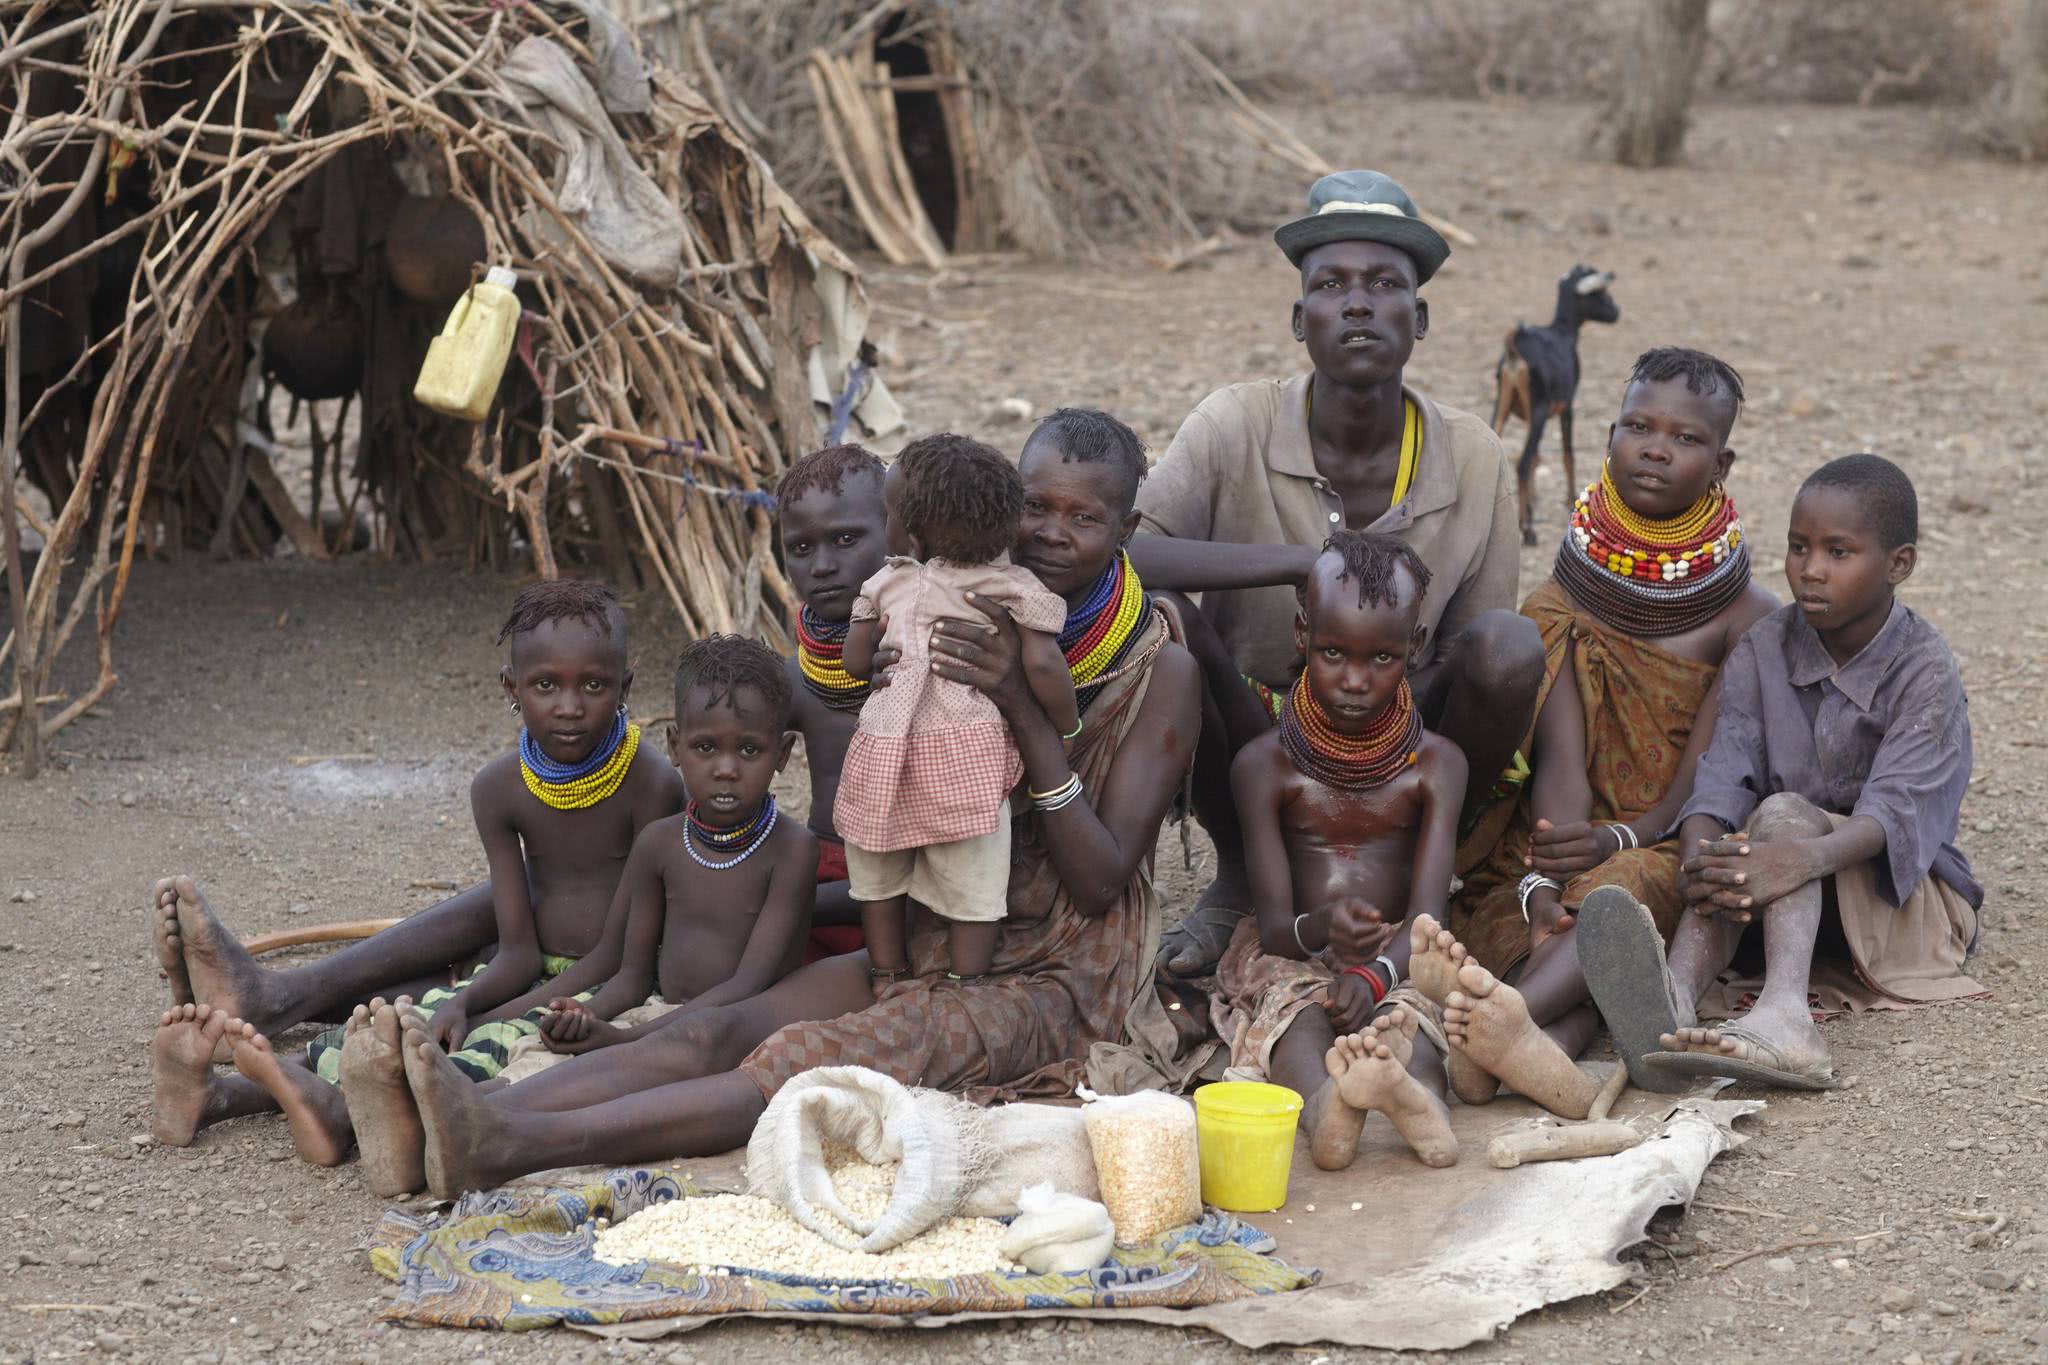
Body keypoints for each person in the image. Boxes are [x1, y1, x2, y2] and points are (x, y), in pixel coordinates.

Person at [373, 409, 1203, 1197]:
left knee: (797, 1061)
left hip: (1062, 974)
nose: (1052, 532)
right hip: (932, 925)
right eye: (1034, 507)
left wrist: (1022, 706)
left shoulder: (1158, 672)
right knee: (717, 1028)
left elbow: (1099, 885)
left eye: (1083, 518)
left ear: (1125, 532)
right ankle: (438, 1118)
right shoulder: (954, 607)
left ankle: (509, 1145)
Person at [1131, 170, 1542, 977]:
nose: (1359, 303)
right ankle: (1243, 874)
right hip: (1256, 735)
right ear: (1299, 317)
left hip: (1404, 727)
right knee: (1168, 620)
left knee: (1511, 646)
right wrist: (1298, 564)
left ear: (1418, 320)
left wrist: (1387, 708)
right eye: (1331, 285)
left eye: (1387, 284)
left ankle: (1420, 857)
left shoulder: (1474, 456)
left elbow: (1473, 648)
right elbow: (1130, 555)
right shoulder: (1235, 422)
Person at [149, 581, 683, 1166]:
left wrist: (481, 1011)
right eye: (546, 685)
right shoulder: (499, 789)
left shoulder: (653, 785)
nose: (570, 706)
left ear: (626, 687)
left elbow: (618, 961)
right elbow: (518, 952)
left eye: (595, 685)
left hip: (604, 983)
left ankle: (327, 1111)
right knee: (403, 1027)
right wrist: (464, 1001)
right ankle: (227, 1096)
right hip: (533, 972)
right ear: (512, 688)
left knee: (475, 1049)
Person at [1425, 348, 1777, 1109]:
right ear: (1609, 433)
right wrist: (1545, 877)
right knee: (1558, 928)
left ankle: (1501, 1022)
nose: (1655, 447)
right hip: (1554, 842)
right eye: (1637, 426)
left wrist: (1621, 841)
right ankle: (1520, 1049)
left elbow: (1708, 781)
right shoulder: (1562, 601)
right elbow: (1561, 770)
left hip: (1660, 844)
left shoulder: (1745, 621)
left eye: (1684, 439)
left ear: (1722, 463)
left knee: (1621, 900)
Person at [340, 636, 816, 1194]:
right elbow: (631, 973)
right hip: (656, 1015)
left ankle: (429, 1133)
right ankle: (413, 1121)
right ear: (676, 745)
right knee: (539, 1060)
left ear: (783, 754)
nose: (727, 770)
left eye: (750, 752)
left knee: (616, 1083)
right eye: (706, 749)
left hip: (736, 1029)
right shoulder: (661, 845)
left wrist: (620, 1040)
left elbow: (749, 984)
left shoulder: (792, 850)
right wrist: (580, 1019)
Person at [1582, 454, 1987, 1091]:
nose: (1811, 570)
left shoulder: (1924, 669)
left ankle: (1786, 1018)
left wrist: (1797, 858)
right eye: (1799, 547)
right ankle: (1672, 1004)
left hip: (1903, 904)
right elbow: (1721, 778)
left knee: (1782, 818)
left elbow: (1893, 814)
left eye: (1839, 552)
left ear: (1898, 565)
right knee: (1737, 840)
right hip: (1778, 897)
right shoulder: (1764, 646)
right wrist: (1702, 856)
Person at [1215, 530, 1464, 1170]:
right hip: (1294, 944)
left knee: (1417, 1010)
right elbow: (1273, 929)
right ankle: (1326, 1104)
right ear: (1301, 636)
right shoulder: (1263, 767)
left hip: (1397, 950)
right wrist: (1325, 930)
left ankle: (1422, 1100)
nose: (1354, 681)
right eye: (1332, 652)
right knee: (1295, 1008)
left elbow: (1430, 913)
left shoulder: (1437, 765)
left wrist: (1376, 973)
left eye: (1381, 659)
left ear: (1415, 647)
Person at [838, 433, 1076, 981]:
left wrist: (871, 650)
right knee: (974, 882)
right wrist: (1067, 724)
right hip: (966, 759)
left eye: (889, 513)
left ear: (914, 538)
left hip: (884, 754)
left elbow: (855, 662)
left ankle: (886, 972)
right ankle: (966, 981)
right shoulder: (1010, 586)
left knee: (876, 874)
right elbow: (1042, 665)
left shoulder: (888, 582)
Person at [775, 443, 893, 959]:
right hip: (825, 867)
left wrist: (790, 903)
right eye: (801, 548)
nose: (822, 566)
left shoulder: (935, 654)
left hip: (912, 874)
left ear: (896, 531)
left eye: (846, 539)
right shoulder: (795, 676)